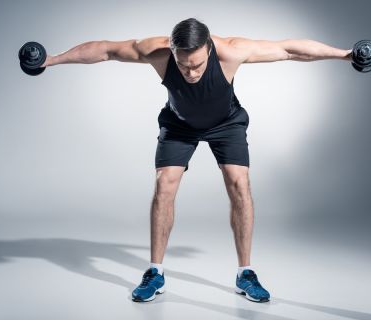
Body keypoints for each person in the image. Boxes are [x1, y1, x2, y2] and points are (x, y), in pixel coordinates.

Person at [41, 17, 352, 303]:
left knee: (239, 184)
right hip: (179, 125)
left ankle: (245, 274)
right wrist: (51, 60)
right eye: (184, 65)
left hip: (226, 124)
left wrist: (345, 54)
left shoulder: (231, 51)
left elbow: (289, 50)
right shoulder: (157, 52)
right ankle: (155, 272)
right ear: (173, 52)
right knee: (164, 185)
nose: (190, 73)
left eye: (197, 65)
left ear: (209, 49)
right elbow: (105, 50)